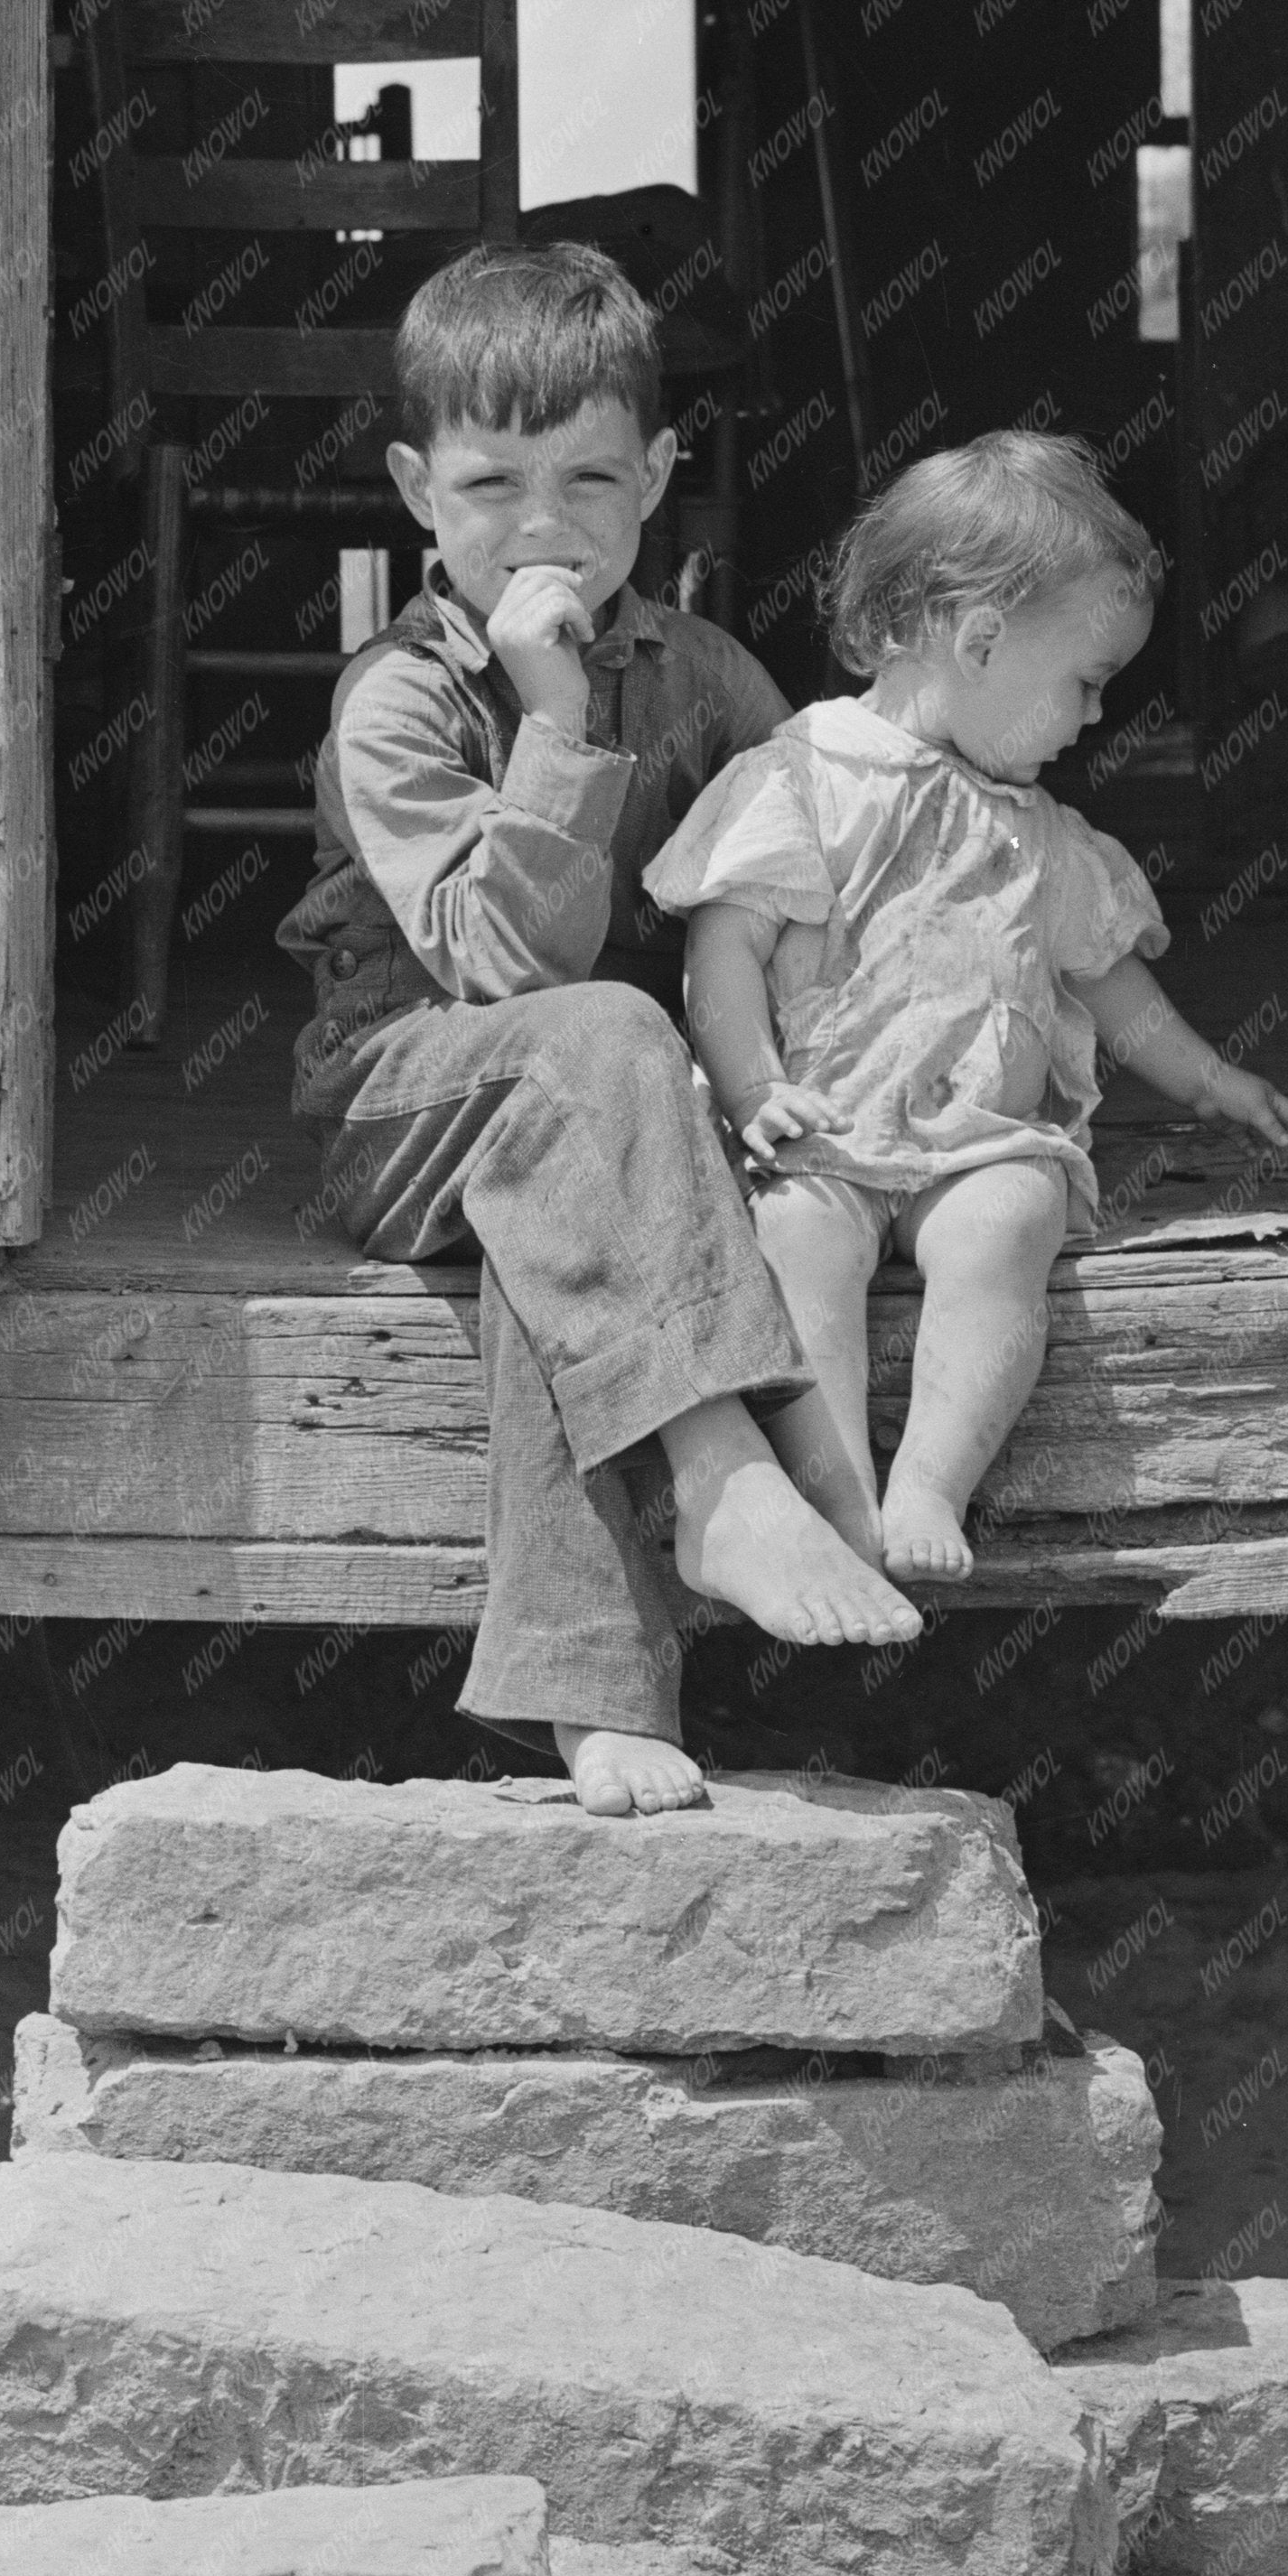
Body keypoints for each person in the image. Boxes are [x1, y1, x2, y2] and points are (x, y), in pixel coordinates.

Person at [276, 243, 921, 1820]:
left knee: (549, 1248)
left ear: (659, 481)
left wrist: (828, 1063)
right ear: (419, 487)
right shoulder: (402, 700)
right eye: (493, 483)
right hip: (398, 1096)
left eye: (591, 477)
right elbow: (502, 963)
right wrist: (554, 713)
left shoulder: (703, 673)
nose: (544, 523)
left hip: (596, 1118)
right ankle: (733, 1471)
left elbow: (822, 865)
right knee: (598, 1033)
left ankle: (593, 1696)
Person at [647, 427, 1288, 1580]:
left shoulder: (1040, 836)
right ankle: (839, 1491)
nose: (1095, 717)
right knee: (794, 1235)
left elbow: (1108, 982)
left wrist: (1208, 1077)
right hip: (824, 1137)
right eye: (1088, 683)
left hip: (975, 1142)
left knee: (1011, 1216)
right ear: (984, 637)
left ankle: (928, 1487)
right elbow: (725, 947)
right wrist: (754, 1086)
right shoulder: (803, 775)